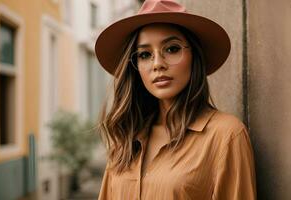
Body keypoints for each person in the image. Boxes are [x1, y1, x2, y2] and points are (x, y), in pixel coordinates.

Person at [94, 0, 256, 199]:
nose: (158, 64)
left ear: (194, 56)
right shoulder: (127, 139)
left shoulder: (226, 136)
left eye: (172, 49)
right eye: (145, 54)